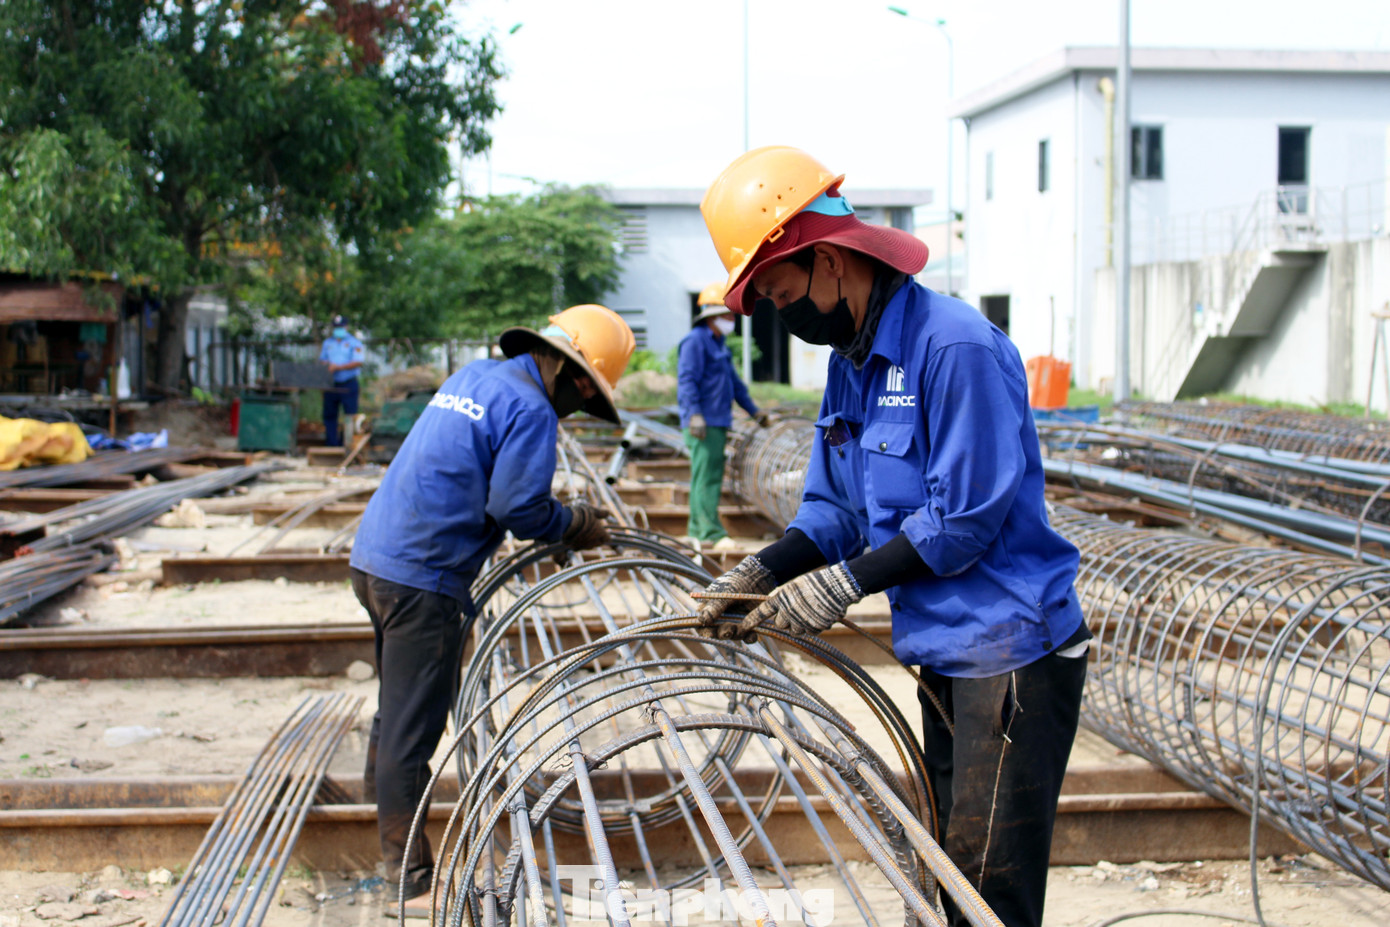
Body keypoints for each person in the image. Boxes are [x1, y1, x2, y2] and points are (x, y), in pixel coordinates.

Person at [695, 146, 1091, 927]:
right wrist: (764, 568)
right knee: (944, 867)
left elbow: (964, 518)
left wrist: (842, 585)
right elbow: (836, 508)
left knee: (987, 896)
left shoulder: (955, 348)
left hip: (1011, 655)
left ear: (832, 262)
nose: (783, 313)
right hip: (946, 652)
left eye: (781, 293)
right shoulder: (853, 362)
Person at [348, 304, 635, 913]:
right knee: (413, 729)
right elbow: (518, 509)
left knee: (394, 710)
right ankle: (409, 882)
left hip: (375, 560)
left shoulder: (477, 376)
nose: (580, 402)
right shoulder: (532, 408)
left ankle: (379, 827)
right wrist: (575, 524)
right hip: (423, 578)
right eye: (584, 391)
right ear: (573, 372)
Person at [677, 283, 770, 545]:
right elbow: (687, 381)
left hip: (716, 420)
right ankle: (710, 532)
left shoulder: (720, 345)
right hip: (703, 422)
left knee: (704, 475)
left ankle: (698, 530)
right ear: (713, 315)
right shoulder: (695, 342)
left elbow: (735, 384)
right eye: (728, 315)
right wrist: (694, 415)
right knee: (708, 477)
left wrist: (754, 411)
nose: (732, 320)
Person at [319, 314, 365, 447]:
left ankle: (348, 445)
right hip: (331, 384)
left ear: (346, 327)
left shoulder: (354, 343)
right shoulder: (328, 343)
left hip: (348, 383)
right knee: (329, 415)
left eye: (341, 327)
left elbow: (358, 361)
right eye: (336, 327)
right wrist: (325, 364)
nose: (338, 329)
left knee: (350, 416)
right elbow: (322, 359)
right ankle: (332, 444)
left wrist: (338, 367)